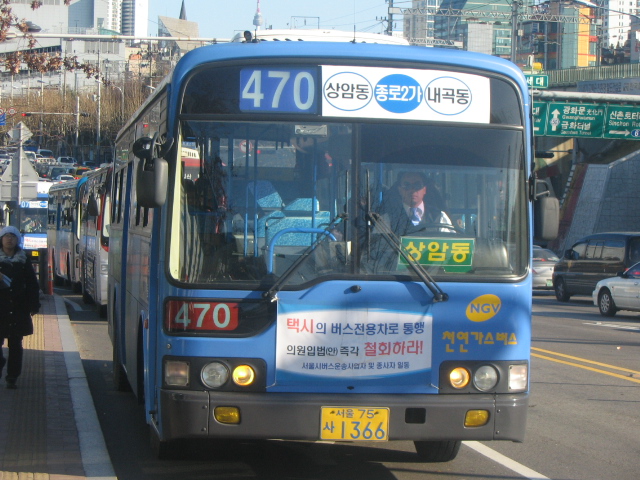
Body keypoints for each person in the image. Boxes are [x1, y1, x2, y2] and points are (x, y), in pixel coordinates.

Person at [0, 225, 41, 389]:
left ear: (17, 240)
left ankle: (12, 377)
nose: (9, 239)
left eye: (13, 236)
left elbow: (32, 283)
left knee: (15, 344)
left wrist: (33, 304)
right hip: (1, 308)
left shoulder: (23, 260)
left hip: (18, 307)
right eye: (6, 236)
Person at [379, 171, 455, 236]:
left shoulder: (439, 217)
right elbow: (379, 248)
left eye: (417, 185)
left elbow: (450, 247)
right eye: (407, 185)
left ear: (424, 190)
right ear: (400, 190)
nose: (412, 190)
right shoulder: (387, 218)